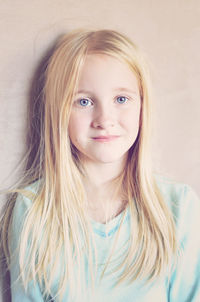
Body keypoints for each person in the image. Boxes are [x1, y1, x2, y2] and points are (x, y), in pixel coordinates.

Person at [2, 29, 200, 302]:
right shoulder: (33, 211)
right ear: (60, 111)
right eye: (84, 101)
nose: (104, 119)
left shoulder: (179, 207)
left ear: (143, 106)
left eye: (121, 99)